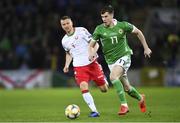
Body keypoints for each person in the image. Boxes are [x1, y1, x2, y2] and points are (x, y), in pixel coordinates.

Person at [88, 5, 152, 115]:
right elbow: (91, 45)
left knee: (113, 77)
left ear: (112, 15)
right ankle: (140, 98)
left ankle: (124, 105)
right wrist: (92, 52)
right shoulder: (99, 29)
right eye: (102, 17)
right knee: (127, 88)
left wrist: (146, 48)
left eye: (106, 16)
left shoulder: (123, 25)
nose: (104, 19)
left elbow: (138, 32)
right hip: (111, 61)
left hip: (124, 56)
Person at [60, 16, 108, 117]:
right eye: (63, 24)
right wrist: (66, 65)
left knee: (104, 89)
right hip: (78, 66)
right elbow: (69, 53)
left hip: (92, 64)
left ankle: (104, 78)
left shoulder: (81, 30)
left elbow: (95, 44)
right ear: (62, 26)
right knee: (83, 86)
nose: (66, 26)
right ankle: (94, 111)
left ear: (71, 22)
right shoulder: (64, 41)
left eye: (67, 23)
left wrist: (93, 53)